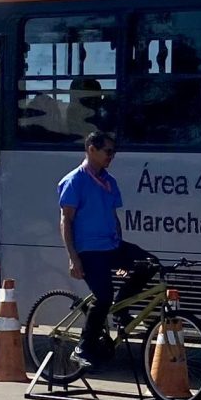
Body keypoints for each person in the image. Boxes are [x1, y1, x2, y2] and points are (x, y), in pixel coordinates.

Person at [57, 130, 146, 368]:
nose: (112, 156)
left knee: (148, 264)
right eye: (108, 151)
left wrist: (121, 246)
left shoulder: (109, 181)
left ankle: (121, 309)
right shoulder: (75, 181)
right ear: (91, 150)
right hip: (89, 251)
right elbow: (66, 220)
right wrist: (73, 258)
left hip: (111, 246)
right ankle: (82, 347)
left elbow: (113, 216)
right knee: (103, 297)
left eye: (114, 152)